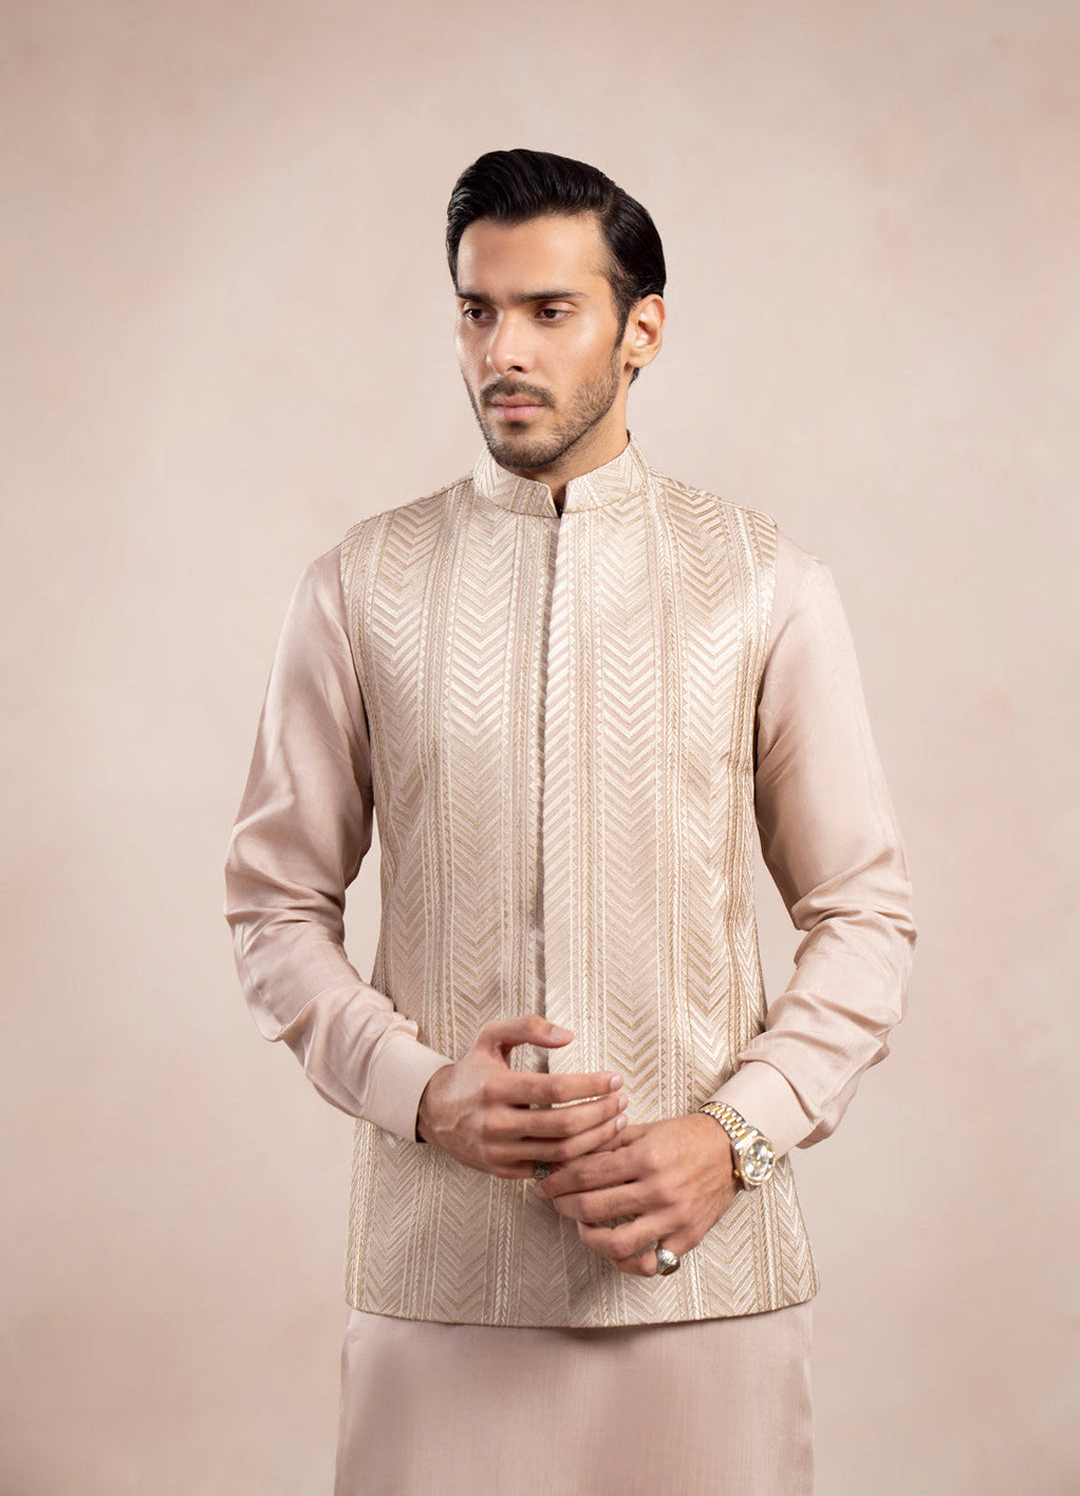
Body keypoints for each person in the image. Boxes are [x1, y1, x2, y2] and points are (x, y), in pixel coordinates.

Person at [224, 148, 916, 1495]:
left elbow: (864, 915)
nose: (504, 352)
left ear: (640, 329)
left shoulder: (765, 584)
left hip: (703, 1278)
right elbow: (273, 904)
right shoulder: (361, 585)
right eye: (478, 311)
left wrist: (735, 1136)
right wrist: (421, 1092)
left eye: (550, 311)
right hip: (438, 1282)